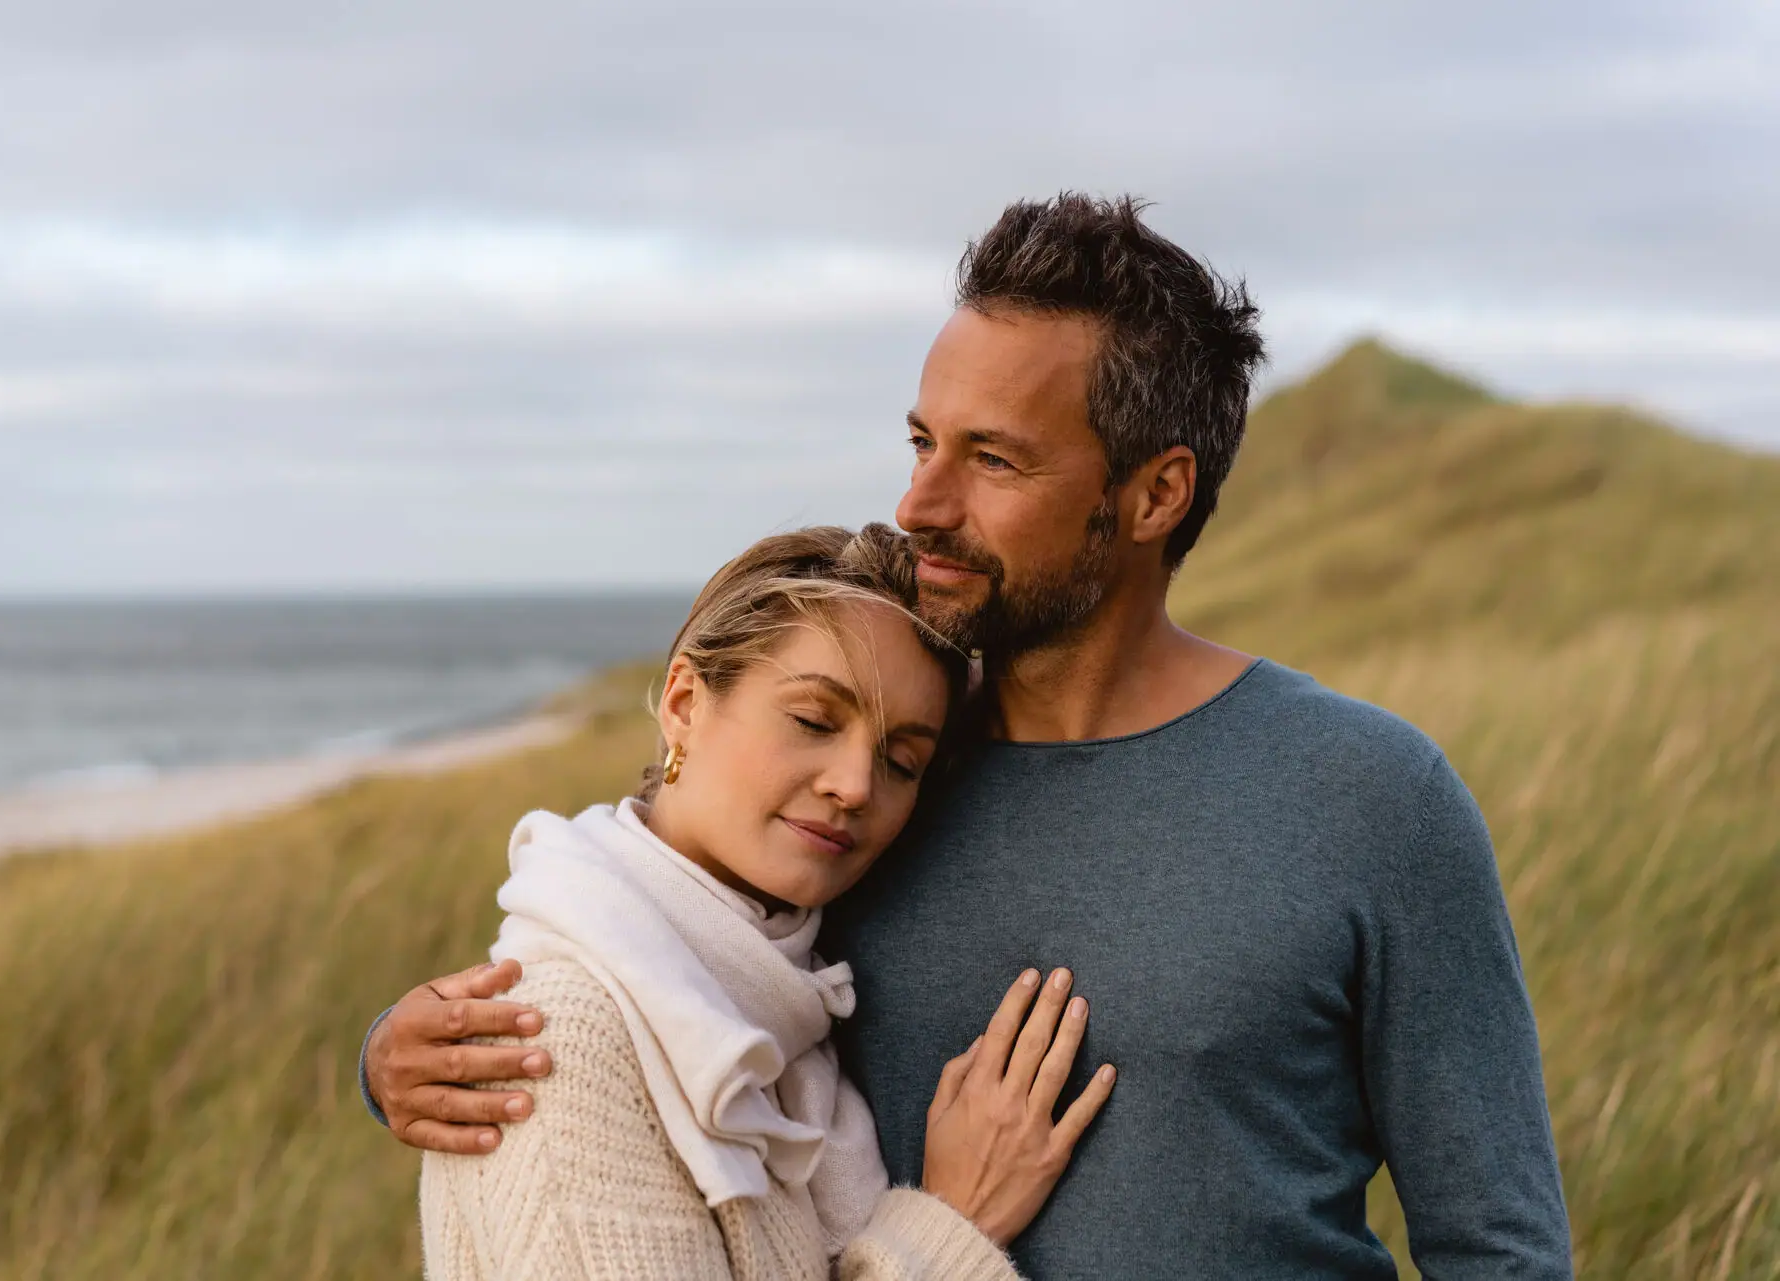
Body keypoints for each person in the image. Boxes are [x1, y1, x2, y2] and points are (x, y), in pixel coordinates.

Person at [365, 194, 1574, 1278]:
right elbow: (640, 938)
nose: (920, 504)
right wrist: (396, 1058)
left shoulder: (1368, 794)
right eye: (921, 442)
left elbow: (1499, 1246)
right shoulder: (869, 785)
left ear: (1154, 495)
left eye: (992, 459)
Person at [414, 523, 1115, 1281]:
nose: (855, 785)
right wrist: (954, 1224)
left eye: (901, 760)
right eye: (813, 720)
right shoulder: (561, 1041)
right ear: (683, 702)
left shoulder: (784, 996)